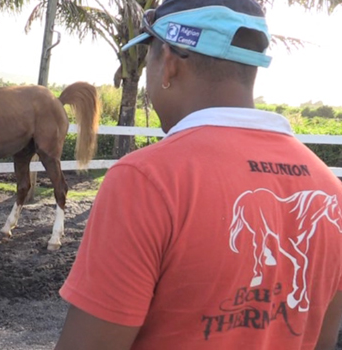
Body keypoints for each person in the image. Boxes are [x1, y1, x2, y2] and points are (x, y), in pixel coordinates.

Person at [54, 0, 342, 349]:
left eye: (149, 61)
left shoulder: (144, 180)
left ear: (170, 65)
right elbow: (322, 341)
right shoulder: (330, 189)